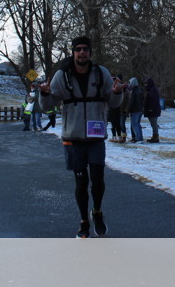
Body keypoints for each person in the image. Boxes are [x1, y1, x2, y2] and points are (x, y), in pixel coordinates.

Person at [39, 35, 124, 238]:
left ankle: (97, 212)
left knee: (97, 180)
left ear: (90, 52)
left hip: (96, 137)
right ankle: (84, 221)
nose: (82, 53)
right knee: (81, 182)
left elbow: (113, 102)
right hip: (74, 137)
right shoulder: (62, 76)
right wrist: (44, 94)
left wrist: (117, 93)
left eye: (85, 49)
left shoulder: (101, 73)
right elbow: (47, 107)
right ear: (73, 52)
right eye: (78, 49)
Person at [143, 77, 161, 143]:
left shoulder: (153, 91)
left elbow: (153, 100)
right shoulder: (152, 90)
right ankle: (154, 136)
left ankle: (155, 136)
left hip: (153, 110)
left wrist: (150, 108)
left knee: (154, 123)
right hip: (153, 110)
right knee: (153, 123)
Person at [126, 77, 144, 142]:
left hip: (135, 110)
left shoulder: (133, 91)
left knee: (134, 125)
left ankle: (138, 138)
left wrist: (128, 111)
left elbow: (131, 102)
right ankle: (140, 137)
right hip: (140, 110)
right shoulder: (140, 90)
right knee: (138, 124)